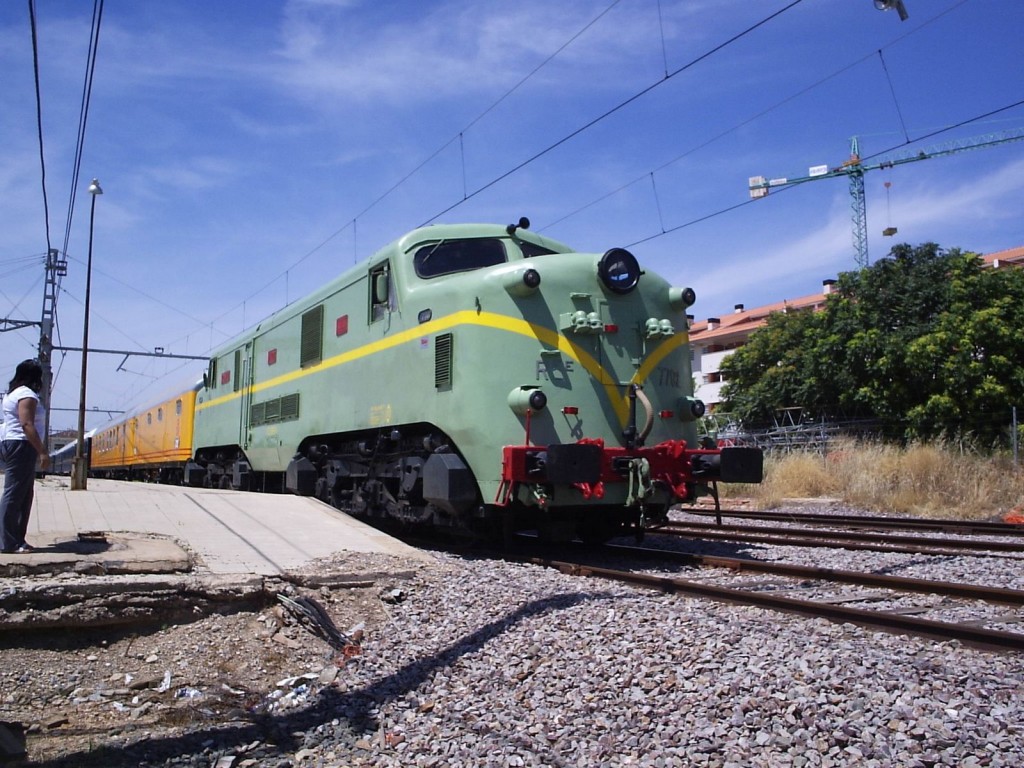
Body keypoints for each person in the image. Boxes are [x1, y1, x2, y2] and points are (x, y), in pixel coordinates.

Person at [1, 359, 50, 554]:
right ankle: (8, 542)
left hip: (16, 444)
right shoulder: (26, 395)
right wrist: (43, 451)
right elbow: (27, 424)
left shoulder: (13, 393)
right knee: (14, 494)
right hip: (22, 445)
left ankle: (16, 539)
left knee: (22, 494)